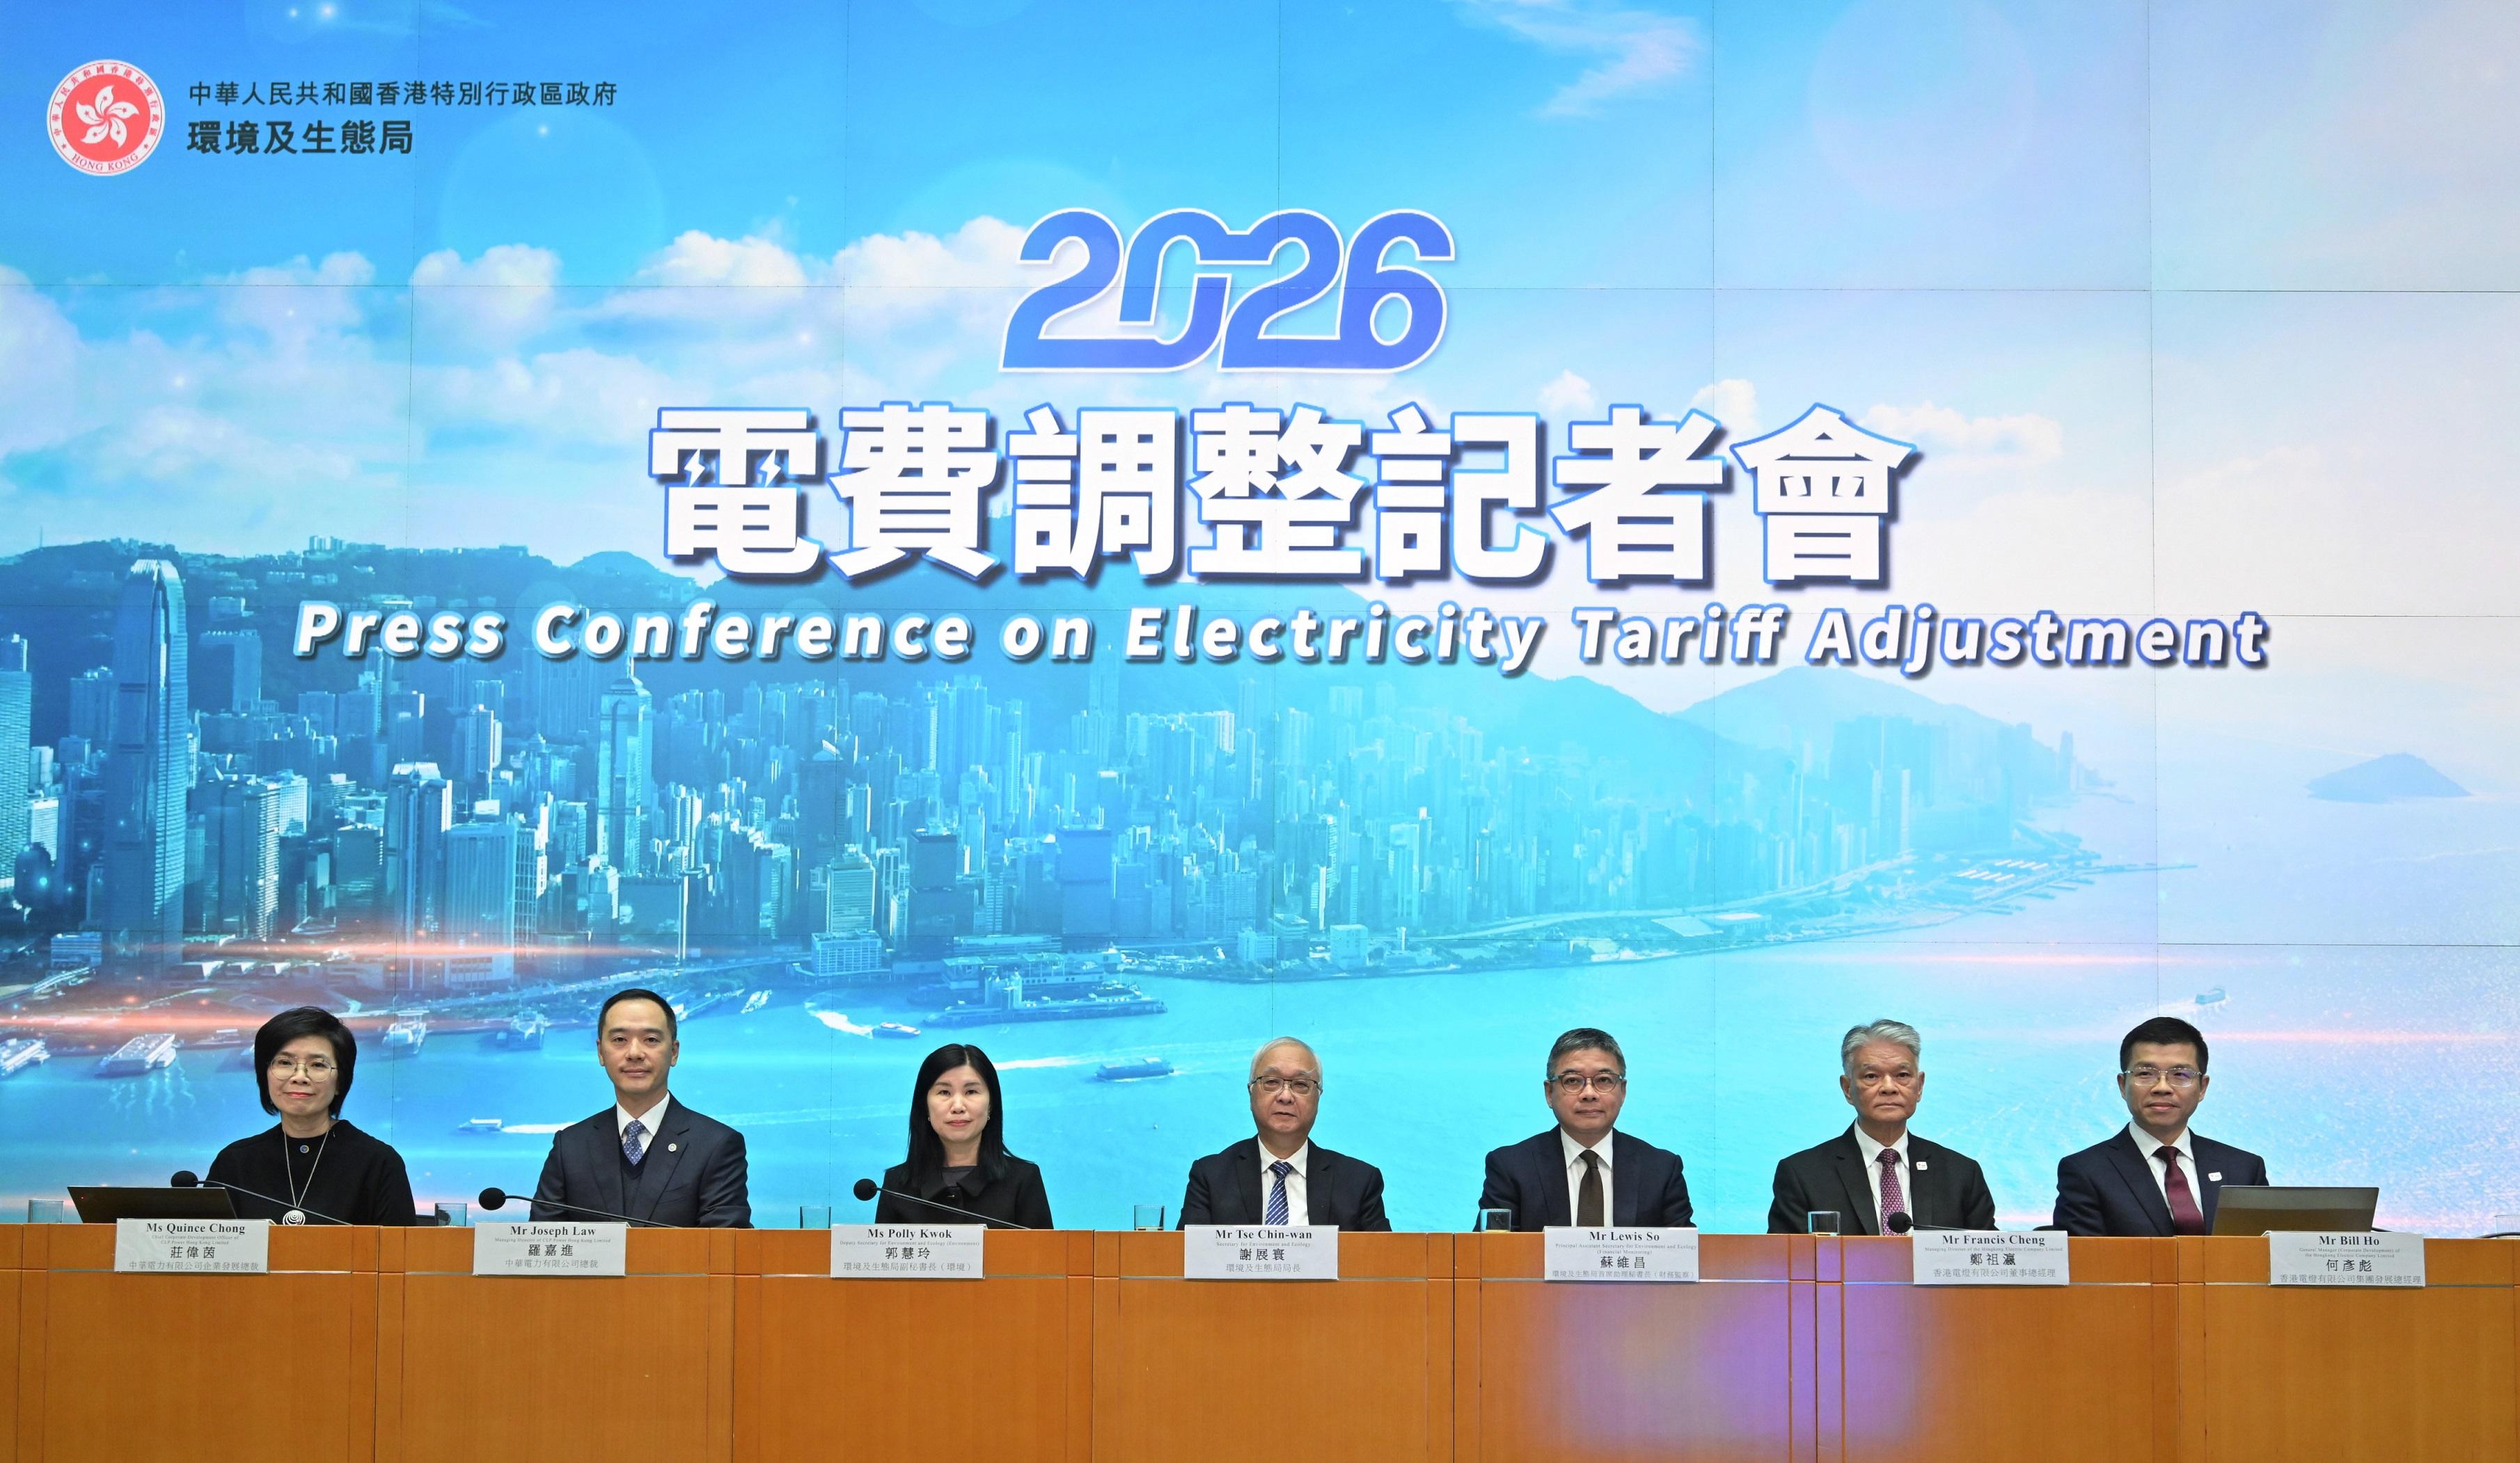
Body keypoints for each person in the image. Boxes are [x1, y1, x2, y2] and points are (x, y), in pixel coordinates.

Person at [532, 988, 751, 1227]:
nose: (634, 1053)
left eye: (651, 1040)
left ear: (674, 1052)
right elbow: (542, 1245)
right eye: (619, 1040)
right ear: (600, 1052)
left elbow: (724, 1249)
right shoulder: (570, 1146)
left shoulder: (716, 1145)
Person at [1766, 1020, 1997, 1235]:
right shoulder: (1803, 1175)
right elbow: (1783, 1265)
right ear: (1847, 1089)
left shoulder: (1962, 1174)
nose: (1889, 1087)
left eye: (1902, 1075)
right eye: (1871, 1076)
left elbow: (1989, 1259)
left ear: (1919, 1086)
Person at [2054, 1015, 2268, 1236]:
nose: (2162, 1087)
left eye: (2181, 1075)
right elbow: (2086, 1264)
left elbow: (2266, 1258)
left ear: (2202, 1087)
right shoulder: (2086, 1172)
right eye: (2146, 1073)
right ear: (2122, 1085)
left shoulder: (2244, 1169)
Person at [206, 1006, 418, 1226]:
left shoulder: (379, 1163)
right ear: (265, 1074)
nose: (300, 1077)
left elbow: (398, 1256)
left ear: (340, 1082)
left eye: (317, 1065)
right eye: (285, 1063)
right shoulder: (233, 1163)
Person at [1476, 1027, 1692, 1231]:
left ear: (1623, 1091)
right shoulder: (1511, 1168)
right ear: (1549, 1093)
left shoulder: (1661, 1170)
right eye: (1572, 1081)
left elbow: (1684, 1257)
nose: (1589, 1093)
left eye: (1604, 1080)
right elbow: (1490, 1256)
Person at [1178, 1037, 1390, 1230]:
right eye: (1271, 1082)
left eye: (1301, 1084)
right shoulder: (1211, 1177)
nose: (1286, 1096)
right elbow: (1183, 1262)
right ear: (1251, 1093)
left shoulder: (1359, 1182)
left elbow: (1384, 1267)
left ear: (1318, 1098)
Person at [874, 1043, 1053, 1228]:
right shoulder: (897, 1184)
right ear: (925, 1105)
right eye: (944, 1092)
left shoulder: (1023, 1180)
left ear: (991, 1104)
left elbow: (1045, 1256)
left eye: (971, 1092)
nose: (958, 1106)